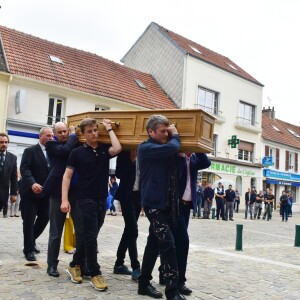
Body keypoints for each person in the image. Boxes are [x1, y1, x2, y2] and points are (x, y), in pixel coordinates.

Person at [61, 118, 122, 291]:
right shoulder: (77, 152)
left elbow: (117, 148)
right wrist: (65, 200)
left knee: (90, 235)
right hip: (84, 198)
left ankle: (75, 264)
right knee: (90, 237)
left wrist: (109, 129)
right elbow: (66, 177)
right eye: (90, 131)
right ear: (83, 134)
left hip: (101, 199)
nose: (94, 133)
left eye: (96, 130)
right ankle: (95, 273)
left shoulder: (103, 149)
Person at [137, 114, 183, 300]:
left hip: (166, 205)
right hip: (153, 204)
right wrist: (176, 135)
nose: (166, 134)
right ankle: (172, 292)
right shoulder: (146, 147)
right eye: (162, 131)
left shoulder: (165, 150)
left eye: (167, 130)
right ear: (151, 131)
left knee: (153, 244)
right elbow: (173, 145)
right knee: (168, 245)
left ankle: (143, 283)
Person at [44, 122, 79, 277]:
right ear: (55, 134)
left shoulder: (76, 143)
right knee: (55, 232)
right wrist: (73, 134)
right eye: (60, 132)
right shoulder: (51, 144)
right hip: (57, 193)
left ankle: (80, 263)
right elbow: (65, 151)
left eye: (65, 131)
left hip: (76, 192)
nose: (63, 134)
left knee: (81, 229)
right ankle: (52, 265)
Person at [173, 152, 211, 295]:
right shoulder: (176, 156)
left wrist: (198, 147)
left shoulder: (194, 158)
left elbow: (206, 163)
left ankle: (165, 274)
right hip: (175, 205)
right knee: (183, 242)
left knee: (176, 243)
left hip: (187, 207)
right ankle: (179, 281)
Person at [19, 127, 54, 261]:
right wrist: (32, 183)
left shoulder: (53, 152)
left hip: (46, 193)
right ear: (40, 136)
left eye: (52, 136)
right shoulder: (30, 151)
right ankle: (28, 249)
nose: (51, 138)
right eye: (48, 135)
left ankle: (31, 240)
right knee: (28, 221)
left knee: (45, 217)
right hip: (30, 193)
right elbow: (25, 169)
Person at [113, 150, 142, 281]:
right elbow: (119, 174)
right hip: (126, 196)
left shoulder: (145, 152)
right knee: (133, 230)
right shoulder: (124, 153)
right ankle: (136, 267)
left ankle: (119, 263)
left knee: (129, 230)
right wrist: (131, 160)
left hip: (138, 197)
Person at [0, 133, 17, 218]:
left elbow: (14, 177)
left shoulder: (13, 157)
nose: (4, 144)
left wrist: (13, 193)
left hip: (3, 193)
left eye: (6, 142)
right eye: (1, 142)